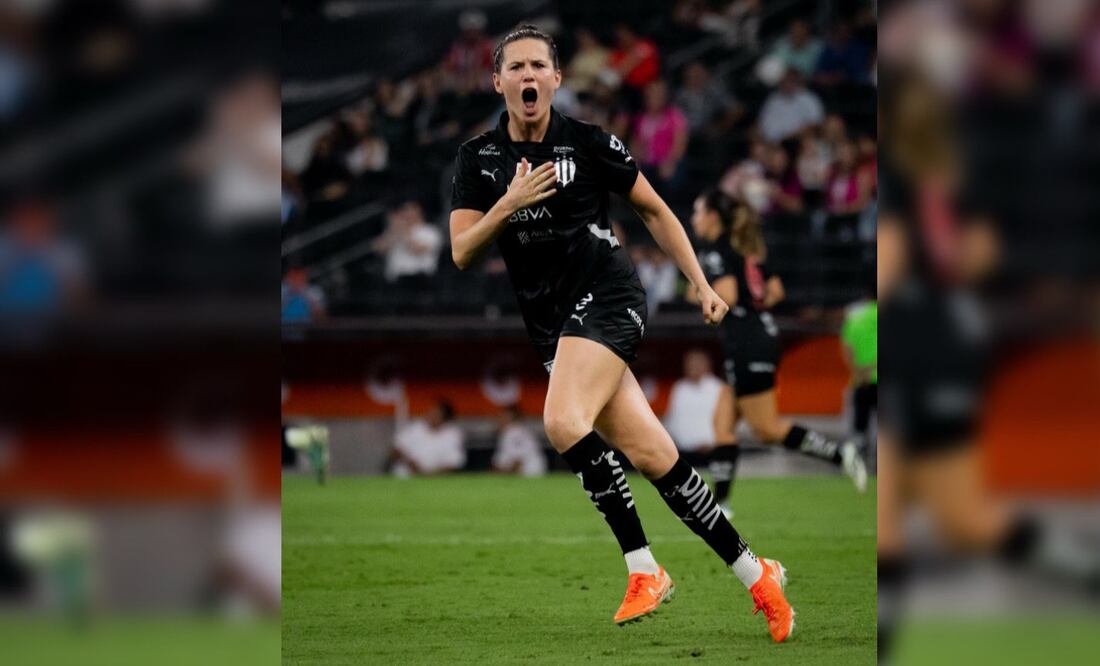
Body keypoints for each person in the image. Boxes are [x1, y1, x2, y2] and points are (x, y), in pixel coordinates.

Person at [449, 25, 793, 641]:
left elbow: (655, 209)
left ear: (557, 78)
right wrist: (508, 203)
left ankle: (644, 568)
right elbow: (461, 252)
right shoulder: (478, 159)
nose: (528, 77)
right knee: (656, 457)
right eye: (516, 68)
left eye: (539, 66)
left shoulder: (588, 143)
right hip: (552, 323)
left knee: (560, 422)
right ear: (497, 81)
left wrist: (701, 283)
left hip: (608, 296)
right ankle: (756, 573)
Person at [689, 190, 867, 519]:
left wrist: (698, 290)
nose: (693, 218)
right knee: (722, 424)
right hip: (758, 334)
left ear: (714, 216)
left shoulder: (716, 251)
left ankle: (842, 455)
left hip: (747, 341)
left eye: (698, 211)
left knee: (766, 428)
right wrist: (754, 304)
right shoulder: (745, 248)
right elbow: (775, 291)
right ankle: (722, 507)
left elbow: (725, 295)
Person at [663, 350, 724, 453]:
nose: (693, 367)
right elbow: (672, 419)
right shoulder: (680, 388)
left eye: (697, 363)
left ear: (708, 365)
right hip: (683, 452)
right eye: (690, 363)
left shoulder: (719, 388)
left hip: (712, 451)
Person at [390, 399, 465, 476]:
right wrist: (411, 464)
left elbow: (455, 463)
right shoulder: (415, 427)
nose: (430, 415)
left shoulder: (453, 434)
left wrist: (431, 474)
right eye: (431, 411)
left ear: (445, 418)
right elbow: (395, 450)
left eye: (436, 413)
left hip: (434, 480)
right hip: (404, 477)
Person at [841, 289, 877, 441]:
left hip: (860, 379)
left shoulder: (855, 318)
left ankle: (858, 448)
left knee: (859, 421)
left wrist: (859, 371)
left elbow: (847, 349)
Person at [757, 68, 824, 143]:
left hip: (798, 141)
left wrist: (791, 136)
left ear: (799, 81)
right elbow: (762, 123)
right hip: (772, 143)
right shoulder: (772, 100)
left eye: (792, 80)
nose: (788, 84)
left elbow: (815, 124)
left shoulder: (809, 99)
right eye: (785, 80)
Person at [491, 404, 547, 477]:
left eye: (501, 416)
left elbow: (518, 462)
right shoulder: (514, 431)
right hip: (532, 473)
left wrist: (500, 474)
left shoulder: (514, 432)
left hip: (528, 474)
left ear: (509, 417)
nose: (498, 419)